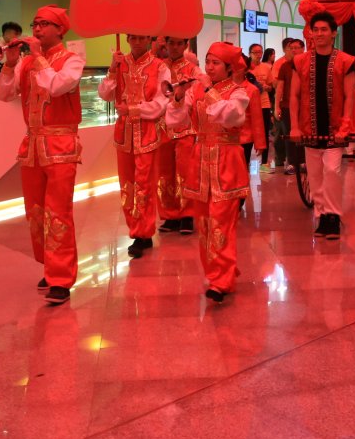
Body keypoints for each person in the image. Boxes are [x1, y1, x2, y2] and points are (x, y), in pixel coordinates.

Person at [0, 7, 84, 305]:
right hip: (32, 147)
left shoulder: (72, 60)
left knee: (58, 213)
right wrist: (9, 64)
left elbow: (57, 85)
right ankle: (50, 266)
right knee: (36, 213)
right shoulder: (27, 62)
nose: (38, 29)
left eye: (45, 24)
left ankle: (61, 277)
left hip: (61, 147)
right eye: (36, 24)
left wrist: (38, 57)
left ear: (60, 29)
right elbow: (4, 94)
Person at [165, 43, 250, 304]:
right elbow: (175, 121)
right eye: (208, 62)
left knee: (221, 222)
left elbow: (231, 117)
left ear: (228, 67)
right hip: (200, 160)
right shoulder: (197, 90)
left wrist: (208, 90)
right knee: (204, 223)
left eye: (215, 63)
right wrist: (178, 98)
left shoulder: (239, 93)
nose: (210, 67)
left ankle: (220, 280)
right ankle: (220, 270)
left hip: (227, 160)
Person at [99, 34, 170, 259]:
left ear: (149, 39)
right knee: (127, 185)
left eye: (142, 38)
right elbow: (105, 94)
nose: (137, 42)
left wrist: (134, 110)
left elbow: (161, 102)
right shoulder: (120, 63)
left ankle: (143, 233)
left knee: (145, 184)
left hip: (147, 131)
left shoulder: (160, 67)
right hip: (124, 134)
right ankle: (135, 228)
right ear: (127, 38)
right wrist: (112, 68)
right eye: (133, 38)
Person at [289, 11, 355, 239]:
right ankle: (321, 215)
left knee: (332, 171)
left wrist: (345, 126)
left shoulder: (346, 62)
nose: (318, 34)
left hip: (336, 128)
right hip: (309, 128)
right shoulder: (300, 61)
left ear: (333, 33)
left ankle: (333, 216)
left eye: (323, 29)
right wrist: (294, 126)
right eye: (315, 30)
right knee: (315, 175)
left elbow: (349, 97)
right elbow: (294, 96)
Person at [157, 36, 201, 236]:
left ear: (185, 45)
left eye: (178, 43)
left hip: (186, 128)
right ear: (165, 44)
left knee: (186, 171)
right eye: (171, 43)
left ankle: (187, 215)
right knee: (164, 173)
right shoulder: (158, 66)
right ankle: (170, 215)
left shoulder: (193, 70)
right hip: (161, 127)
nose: (174, 47)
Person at [272, 38, 305, 175]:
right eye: (291, 48)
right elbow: (279, 87)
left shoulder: (307, 64)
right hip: (286, 105)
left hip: (304, 106)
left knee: (304, 134)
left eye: (297, 47)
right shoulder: (285, 66)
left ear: (303, 49)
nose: (294, 50)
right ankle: (291, 162)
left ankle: (303, 161)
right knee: (289, 134)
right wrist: (276, 106)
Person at [248, 43, 274, 167]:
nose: (259, 55)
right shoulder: (246, 68)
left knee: (264, 133)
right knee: (249, 133)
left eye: (260, 52)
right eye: (256, 52)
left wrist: (267, 87)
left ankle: (264, 162)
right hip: (249, 105)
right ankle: (246, 160)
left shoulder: (266, 67)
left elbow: (271, 85)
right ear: (250, 54)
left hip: (264, 104)